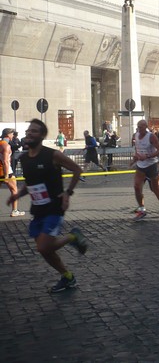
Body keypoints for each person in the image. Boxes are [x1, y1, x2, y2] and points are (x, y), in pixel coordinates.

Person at [6, 119, 86, 293]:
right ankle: (68, 277)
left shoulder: (53, 155)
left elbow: (77, 170)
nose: (29, 133)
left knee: (43, 246)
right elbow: (31, 183)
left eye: (34, 131)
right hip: (38, 209)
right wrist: (18, 195)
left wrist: (68, 193)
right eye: (28, 131)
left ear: (42, 136)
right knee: (45, 251)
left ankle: (72, 237)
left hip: (54, 207)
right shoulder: (24, 158)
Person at [132, 120, 159, 220]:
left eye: (141, 127)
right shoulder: (136, 135)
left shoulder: (151, 136)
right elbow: (137, 149)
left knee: (155, 188)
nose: (139, 129)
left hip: (152, 165)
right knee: (136, 186)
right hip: (140, 165)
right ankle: (142, 209)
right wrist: (134, 159)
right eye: (138, 127)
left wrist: (148, 156)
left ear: (146, 127)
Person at [1, 128, 24, 217]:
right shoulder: (6, 145)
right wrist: (7, 175)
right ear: (8, 135)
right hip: (6, 171)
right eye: (12, 134)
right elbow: (6, 161)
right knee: (14, 190)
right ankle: (15, 211)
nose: (13, 136)